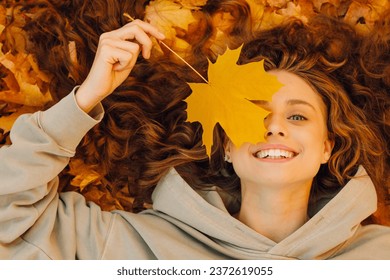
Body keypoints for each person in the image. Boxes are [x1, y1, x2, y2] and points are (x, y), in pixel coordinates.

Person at [0, 10, 389, 259]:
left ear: (327, 147)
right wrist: (85, 100)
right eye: (254, 111)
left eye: (299, 117)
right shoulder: (124, 249)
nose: (274, 125)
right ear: (228, 149)